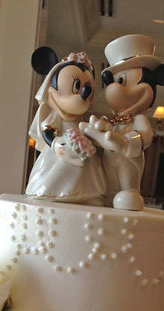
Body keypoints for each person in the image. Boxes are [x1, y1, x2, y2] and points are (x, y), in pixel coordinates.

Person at [80, 35, 164, 211]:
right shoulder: (114, 121)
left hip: (128, 159)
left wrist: (124, 142)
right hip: (109, 161)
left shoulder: (138, 119)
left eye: (125, 81)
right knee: (107, 179)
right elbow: (109, 132)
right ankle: (107, 195)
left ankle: (129, 192)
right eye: (118, 81)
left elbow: (144, 137)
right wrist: (101, 130)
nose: (118, 88)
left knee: (126, 179)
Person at [26, 47, 106, 205]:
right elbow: (47, 130)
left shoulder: (81, 122)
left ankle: (86, 195)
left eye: (87, 91)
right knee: (58, 176)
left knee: (87, 173)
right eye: (77, 87)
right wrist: (56, 144)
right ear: (51, 91)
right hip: (59, 153)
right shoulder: (54, 117)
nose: (83, 95)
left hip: (82, 155)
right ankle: (54, 192)